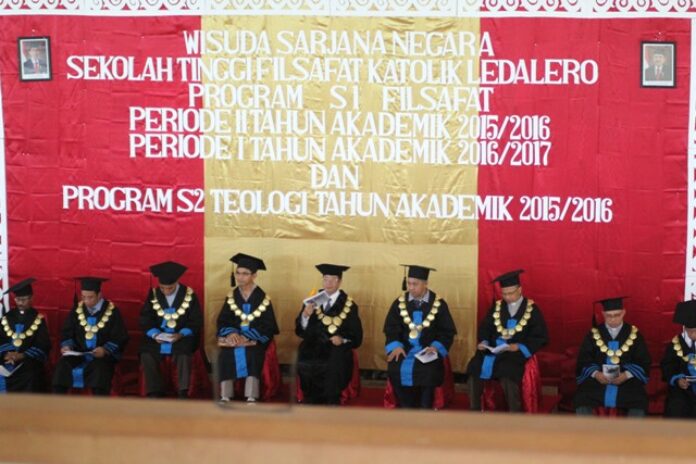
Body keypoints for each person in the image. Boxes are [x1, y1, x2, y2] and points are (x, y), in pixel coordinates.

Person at [466, 269, 548, 412]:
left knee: (508, 372)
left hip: (514, 353)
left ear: (519, 290)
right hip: (492, 350)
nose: (507, 297)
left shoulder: (532, 309)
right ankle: (475, 409)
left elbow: (540, 336)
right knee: (474, 367)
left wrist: (519, 346)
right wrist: (484, 342)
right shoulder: (497, 307)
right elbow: (485, 327)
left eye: (510, 293)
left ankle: (514, 413)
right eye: (504, 294)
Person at [383, 264, 457, 409]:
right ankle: (406, 406)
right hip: (405, 349)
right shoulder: (399, 303)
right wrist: (396, 346)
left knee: (428, 370)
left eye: (415, 284)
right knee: (395, 367)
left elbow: (446, 331)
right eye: (409, 283)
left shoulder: (439, 304)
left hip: (427, 349)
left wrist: (435, 347)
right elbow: (391, 328)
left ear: (425, 283)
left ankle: (425, 407)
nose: (411, 288)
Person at [296, 264, 363, 405]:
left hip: (335, 346)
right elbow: (300, 331)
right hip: (314, 344)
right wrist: (305, 316)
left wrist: (342, 339)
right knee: (305, 355)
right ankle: (309, 398)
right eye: (326, 279)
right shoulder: (313, 300)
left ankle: (331, 399)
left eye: (333, 279)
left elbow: (356, 335)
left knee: (334, 362)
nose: (329, 283)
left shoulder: (349, 305)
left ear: (340, 281)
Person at [217, 253, 279, 403]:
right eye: (238, 273)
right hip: (235, 337)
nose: (240, 277)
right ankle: (225, 394)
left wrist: (247, 337)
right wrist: (231, 333)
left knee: (253, 354)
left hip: (254, 339)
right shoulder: (231, 296)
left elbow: (268, 324)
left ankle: (251, 395)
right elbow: (223, 319)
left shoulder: (263, 298)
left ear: (254, 275)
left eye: (245, 274)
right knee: (226, 355)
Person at [574, 297, 651, 416]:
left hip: (626, 380)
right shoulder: (594, 334)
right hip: (598, 380)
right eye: (609, 316)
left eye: (617, 315)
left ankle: (633, 428)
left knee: (639, 400)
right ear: (603, 314)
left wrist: (626, 375)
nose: (613, 319)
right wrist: (596, 374)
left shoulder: (634, 335)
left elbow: (643, 360)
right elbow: (584, 359)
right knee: (581, 397)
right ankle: (586, 428)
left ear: (624, 312)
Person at [52, 277, 129, 395]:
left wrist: (105, 350)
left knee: (100, 371)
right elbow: (67, 332)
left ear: (99, 295)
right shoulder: (77, 310)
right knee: (62, 367)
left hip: (101, 357)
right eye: (83, 297)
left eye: (90, 297)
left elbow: (119, 336)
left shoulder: (112, 311)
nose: (86, 301)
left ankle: (98, 405)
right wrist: (67, 346)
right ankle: (58, 403)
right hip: (78, 354)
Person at [140, 261, 203, 398]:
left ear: (176, 283)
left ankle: (183, 391)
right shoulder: (154, 294)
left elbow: (196, 320)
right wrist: (155, 334)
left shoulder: (189, 295)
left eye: (170, 288)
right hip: (159, 336)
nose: (166, 291)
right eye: (162, 288)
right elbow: (146, 318)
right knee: (147, 353)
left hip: (182, 336)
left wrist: (181, 334)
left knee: (183, 352)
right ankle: (154, 391)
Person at [0, 278, 50, 393]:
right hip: (6, 358)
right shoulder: (7, 318)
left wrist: (22, 355)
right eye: (18, 299)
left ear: (31, 299)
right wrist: (8, 354)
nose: (20, 303)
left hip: (27, 359)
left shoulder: (38, 319)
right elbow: (1, 339)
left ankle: (26, 404)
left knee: (31, 374)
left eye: (24, 299)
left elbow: (42, 344)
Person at [660, 300, 696, 418]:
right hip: (684, 389)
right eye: (690, 331)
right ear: (684, 328)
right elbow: (668, 365)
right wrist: (678, 379)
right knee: (676, 405)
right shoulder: (676, 344)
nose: (693, 335)